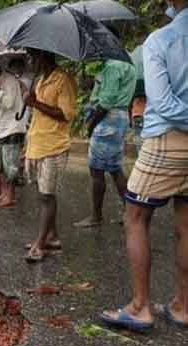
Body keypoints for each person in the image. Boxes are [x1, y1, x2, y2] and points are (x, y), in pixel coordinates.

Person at [101, 1, 188, 331]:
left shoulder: (160, 41)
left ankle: (140, 307)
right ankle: (182, 305)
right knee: (185, 223)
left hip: (167, 139)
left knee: (135, 215)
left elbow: (162, 102)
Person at [75, 31, 136, 228]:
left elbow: (106, 101)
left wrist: (91, 125)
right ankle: (130, 213)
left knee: (97, 170)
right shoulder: (126, 62)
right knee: (114, 168)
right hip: (119, 118)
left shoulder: (112, 66)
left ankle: (96, 216)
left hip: (108, 120)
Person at [23, 49, 78, 263]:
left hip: (54, 145)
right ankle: (52, 237)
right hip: (37, 144)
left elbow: (66, 114)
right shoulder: (40, 79)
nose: (29, 62)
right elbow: (38, 115)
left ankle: (40, 243)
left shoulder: (63, 80)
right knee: (44, 194)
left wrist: (35, 102)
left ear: (43, 57)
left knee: (47, 196)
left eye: (32, 57)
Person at [0, 60, 29, 208]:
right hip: (2, 129)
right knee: (2, 165)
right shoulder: (2, 81)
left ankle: (10, 196)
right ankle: (4, 194)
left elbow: (8, 103)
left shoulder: (9, 80)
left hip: (12, 128)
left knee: (10, 166)